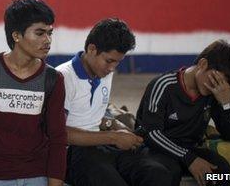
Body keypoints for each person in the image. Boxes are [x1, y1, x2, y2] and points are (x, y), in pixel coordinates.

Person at [0, 0, 67, 186]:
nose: (48, 40)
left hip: (38, 174)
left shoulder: (53, 79)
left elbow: (58, 139)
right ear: (16, 36)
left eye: (50, 33)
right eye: (40, 33)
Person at [58, 18, 173, 185]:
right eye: (109, 61)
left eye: (118, 62)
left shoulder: (105, 72)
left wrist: (112, 124)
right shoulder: (63, 77)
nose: (112, 68)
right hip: (73, 153)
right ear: (91, 49)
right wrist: (113, 137)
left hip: (101, 144)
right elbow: (60, 133)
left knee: (159, 174)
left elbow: (90, 113)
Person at [135, 40, 230, 186]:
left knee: (224, 172)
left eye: (223, 85)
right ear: (203, 64)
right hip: (157, 150)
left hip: (190, 150)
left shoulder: (214, 93)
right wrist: (189, 158)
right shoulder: (164, 85)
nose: (217, 87)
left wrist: (226, 104)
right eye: (216, 80)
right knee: (166, 173)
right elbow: (151, 133)